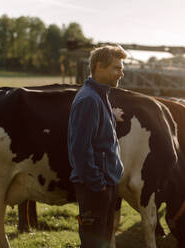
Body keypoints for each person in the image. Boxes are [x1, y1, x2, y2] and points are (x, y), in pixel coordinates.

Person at [67, 45, 128, 248]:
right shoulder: (88, 100)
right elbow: (80, 150)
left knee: (102, 240)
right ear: (100, 67)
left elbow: (94, 127)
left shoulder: (99, 96)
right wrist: (98, 184)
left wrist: (112, 116)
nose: (121, 72)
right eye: (116, 68)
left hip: (105, 183)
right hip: (95, 188)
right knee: (94, 243)